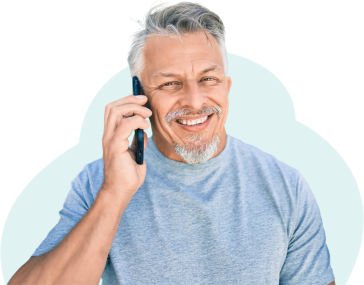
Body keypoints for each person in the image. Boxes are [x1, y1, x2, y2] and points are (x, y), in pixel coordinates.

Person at [8, 1, 336, 284]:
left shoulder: (286, 186)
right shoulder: (98, 183)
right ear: (140, 97)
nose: (194, 101)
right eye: (170, 83)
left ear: (227, 86)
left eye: (208, 79)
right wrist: (114, 194)